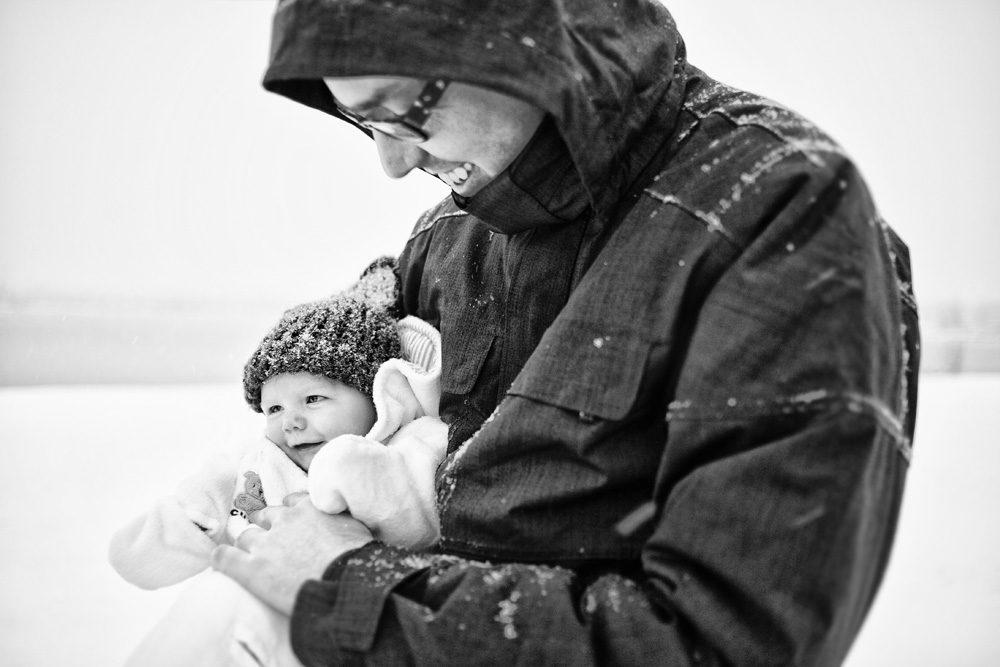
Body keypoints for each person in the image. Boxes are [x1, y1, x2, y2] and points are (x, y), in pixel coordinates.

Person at [212, 1, 921, 666]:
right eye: (363, 123)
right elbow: (353, 456)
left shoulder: (775, 211)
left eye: (403, 111)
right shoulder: (445, 238)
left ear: (522, 38)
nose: (393, 165)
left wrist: (350, 585)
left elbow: (722, 641)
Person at [110, 258, 446, 665]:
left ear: (378, 394)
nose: (291, 421)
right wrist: (181, 526)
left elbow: (418, 513)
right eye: (273, 408)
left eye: (313, 399)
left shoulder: (409, 448)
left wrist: (352, 471)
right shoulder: (258, 460)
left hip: (357, 628)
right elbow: (206, 499)